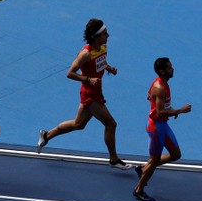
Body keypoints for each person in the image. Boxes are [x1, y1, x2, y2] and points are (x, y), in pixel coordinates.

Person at [36, 18, 133, 170]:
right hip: (89, 94)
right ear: (95, 36)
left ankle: (46, 135)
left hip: (97, 91)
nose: (108, 36)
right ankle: (113, 159)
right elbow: (70, 73)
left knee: (78, 124)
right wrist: (88, 79)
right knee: (111, 124)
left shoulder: (102, 46)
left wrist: (108, 68)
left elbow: (101, 61)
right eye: (104, 34)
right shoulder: (85, 54)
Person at [132, 57, 191, 201]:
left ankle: (143, 168)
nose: (173, 69)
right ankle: (139, 190)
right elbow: (158, 112)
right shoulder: (160, 87)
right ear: (163, 71)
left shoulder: (163, 84)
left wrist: (171, 110)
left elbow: (155, 103)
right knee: (154, 160)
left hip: (163, 125)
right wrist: (180, 110)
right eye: (170, 67)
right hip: (156, 128)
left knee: (176, 154)